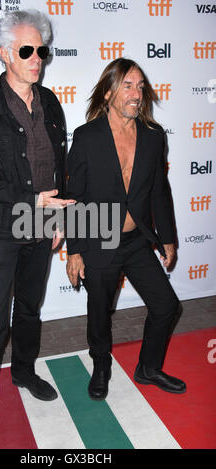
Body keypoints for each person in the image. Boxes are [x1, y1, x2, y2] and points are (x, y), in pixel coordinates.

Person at [0, 10, 74, 445]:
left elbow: (59, 169)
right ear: (4, 54)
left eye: (41, 49)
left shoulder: (52, 102)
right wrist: (31, 202)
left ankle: (24, 372)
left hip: (44, 222)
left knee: (29, 308)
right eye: (27, 50)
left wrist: (59, 213)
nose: (36, 58)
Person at [66, 58, 186, 401]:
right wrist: (74, 250)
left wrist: (167, 238)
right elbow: (75, 198)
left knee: (166, 306)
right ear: (108, 93)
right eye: (128, 86)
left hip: (136, 241)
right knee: (100, 313)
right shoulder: (87, 137)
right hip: (98, 239)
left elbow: (159, 191)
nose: (137, 94)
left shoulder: (152, 135)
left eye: (140, 86)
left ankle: (148, 367)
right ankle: (101, 365)